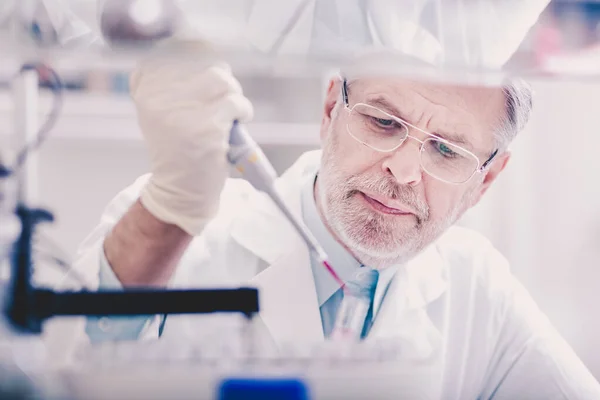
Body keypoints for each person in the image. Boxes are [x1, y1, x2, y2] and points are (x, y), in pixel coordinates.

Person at [55, 51, 599, 399]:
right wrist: (172, 208)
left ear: (485, 180)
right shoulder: (178, 229)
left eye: (446, 150)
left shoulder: (479, 287)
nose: (404, 171)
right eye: (383, 122)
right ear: (329, 108)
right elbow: (55, 374)